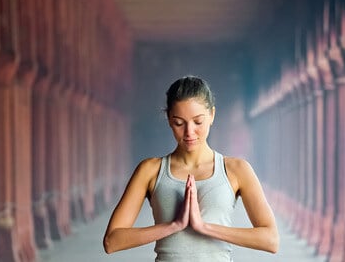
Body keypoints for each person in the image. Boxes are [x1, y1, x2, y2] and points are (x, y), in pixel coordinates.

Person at [103, 75, 279, 261]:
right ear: (169, 119)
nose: (189, 132)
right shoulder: (150, 170)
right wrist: (173, 225)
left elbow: (271, 240)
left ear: (212, 115)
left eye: (198, 122)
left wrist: (204, 227)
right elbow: (112, 242)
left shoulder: (236, 170)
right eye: (179, 123)